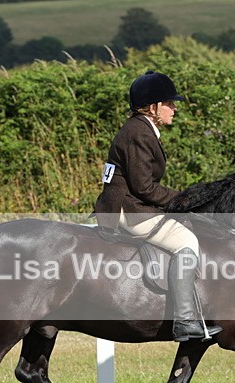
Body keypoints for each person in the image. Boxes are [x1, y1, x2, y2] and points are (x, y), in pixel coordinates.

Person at [94, 71, 222, 342]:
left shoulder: (142, 129)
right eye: (169, 103)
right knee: (186, 241)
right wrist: (185, 200)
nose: (174, 108)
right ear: (153, 107)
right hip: (126, 208)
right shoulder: (138, 132)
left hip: (130, 202)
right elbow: (144, 187)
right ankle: (185, 320)